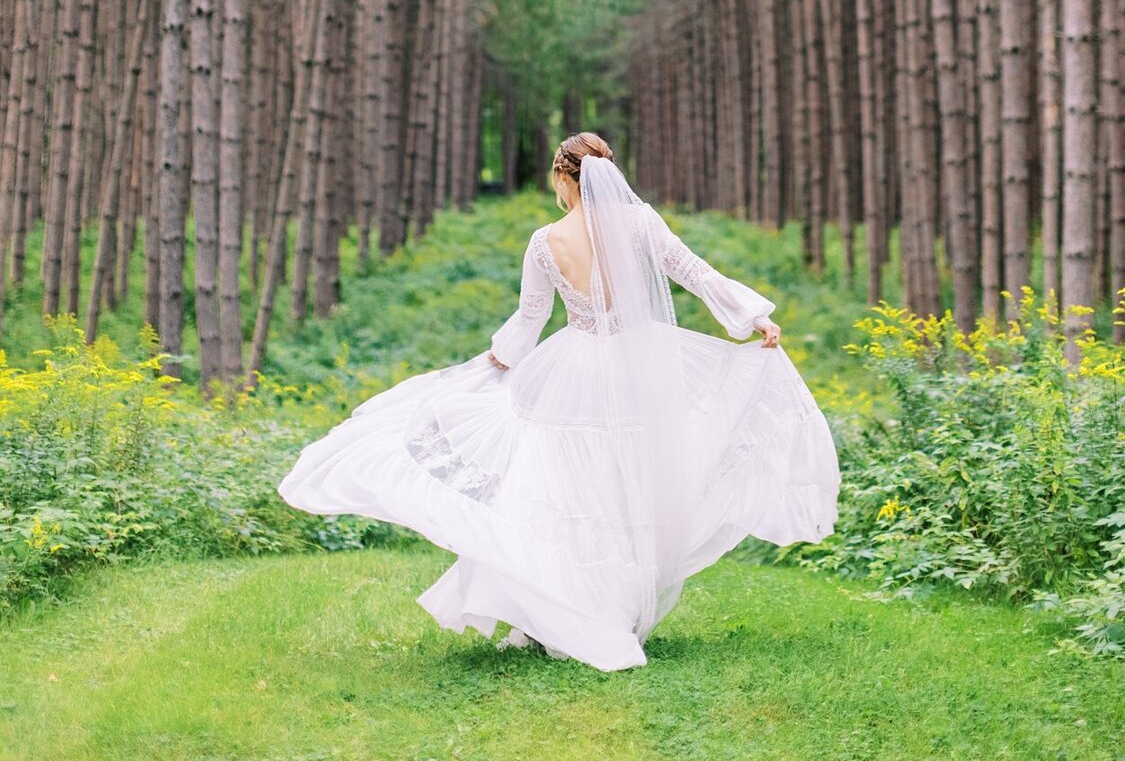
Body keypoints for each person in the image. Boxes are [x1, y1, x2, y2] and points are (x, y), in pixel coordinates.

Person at [278, 131, 840, 671]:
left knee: (564, 487)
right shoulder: (640, 222)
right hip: (640, 367)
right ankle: (610, 609)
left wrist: (499, 358)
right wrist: (752, 318)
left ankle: (555, 612)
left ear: (562, 177)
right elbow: (693, 272)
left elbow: (531, 317)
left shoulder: (547, 241)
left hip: (573, 367)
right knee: (624, 488)